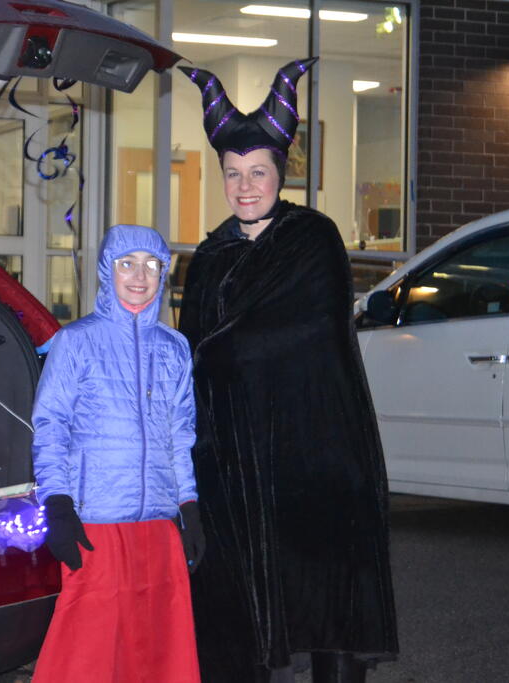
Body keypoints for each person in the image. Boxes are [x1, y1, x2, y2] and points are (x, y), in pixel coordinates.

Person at [177, 58, 399, 682]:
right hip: (235, 455)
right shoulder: (210, 255)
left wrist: (211, 354)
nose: (245, 186)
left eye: (258, 172)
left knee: (326, 594)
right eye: (233, 173)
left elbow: (297, 329)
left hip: (313, 451)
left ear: (280, 173)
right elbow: (188, 351)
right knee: (239, 597)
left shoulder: (312, 238)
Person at [31, 224, 204, 683]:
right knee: (86, 654)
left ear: (163, 273)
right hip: (97, 521)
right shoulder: (76, 341)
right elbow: (51, 427)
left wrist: (188, 504)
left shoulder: (175, 348)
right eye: (127, 264)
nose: (139, 276)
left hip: (158, 524)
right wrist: (57, 502)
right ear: (108, 270)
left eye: (151, 265)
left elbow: (180, 434)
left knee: (156, 653)